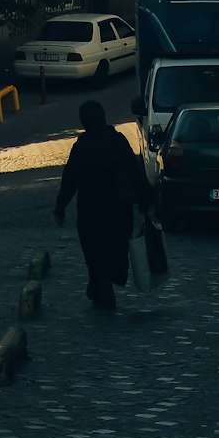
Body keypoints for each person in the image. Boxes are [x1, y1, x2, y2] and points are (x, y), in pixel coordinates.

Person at [53, 98, 151, 310]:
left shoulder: (82, 146)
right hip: (118, 208)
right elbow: (135, 173)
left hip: (90, 210)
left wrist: (60, 207)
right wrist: (146, 199)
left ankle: (98, 281)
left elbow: (70, 179)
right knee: (116, 246)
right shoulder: (118, 141)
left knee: (93, 251)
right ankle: (104, 281)